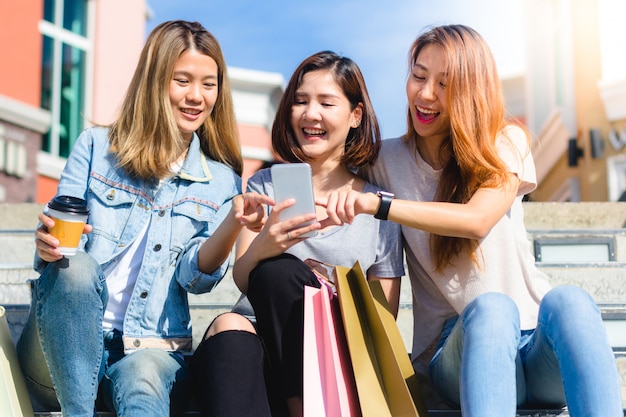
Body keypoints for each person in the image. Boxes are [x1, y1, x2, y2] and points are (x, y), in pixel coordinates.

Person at [322, 24, 624, 417]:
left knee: (572, 301)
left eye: (445, 84)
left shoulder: (504, 142)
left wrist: (379, 204)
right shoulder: (384, 160)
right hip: (456, 351)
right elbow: (326, 165)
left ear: (472, 91)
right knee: (492, 309)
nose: (426, 94)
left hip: (535, 350)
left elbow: (478, 219)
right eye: (418, 76)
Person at [16, 20, 272, 417]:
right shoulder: (96, 147)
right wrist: (45, 246)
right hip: (59, 351)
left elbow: (194, 276)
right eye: (182, 80)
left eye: (209, 83)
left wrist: (233, 222)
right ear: (155, 80)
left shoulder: (220, 181)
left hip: (152, 349)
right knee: (75, 267)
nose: (196, 96)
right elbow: (66, 256)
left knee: (143, 385)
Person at [190, 50, 405, 417]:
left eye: (326, 102)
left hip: (334, 358)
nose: (310, 114)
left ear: (355, 115)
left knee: (284, 273)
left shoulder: (376, 205)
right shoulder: (266, 185)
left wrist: (323, 286)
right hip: (259, 354)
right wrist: (265, 245)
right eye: (301, 101)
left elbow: (383, 318)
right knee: (235, 318)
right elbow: (244, 278)